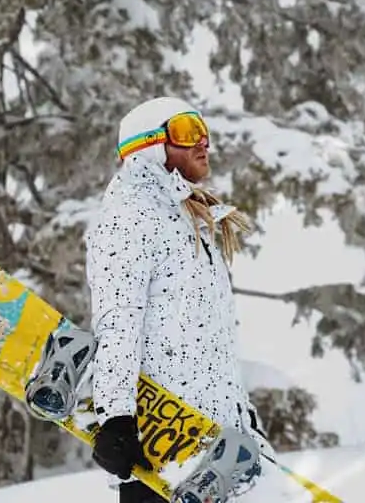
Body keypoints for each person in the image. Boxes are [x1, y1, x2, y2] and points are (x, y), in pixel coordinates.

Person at [84, 96, 275, 503]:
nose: (202, 142)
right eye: (187, 132)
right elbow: (119, 320)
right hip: (160, 455)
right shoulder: (130, 215)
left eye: (203, 132)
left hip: (213, 453)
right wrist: (115, 418)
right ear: (148, 145)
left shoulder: (188, 217)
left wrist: (241, 415)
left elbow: (207, 338)